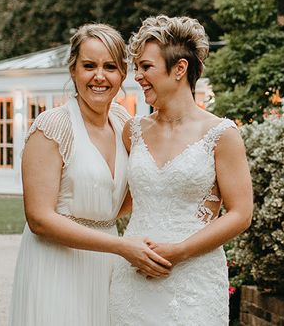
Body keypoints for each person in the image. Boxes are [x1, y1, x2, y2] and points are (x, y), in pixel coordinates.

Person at [9, 23, 171, 326]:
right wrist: (122, 246)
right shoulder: (52, 126)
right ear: (73, 70)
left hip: (107, 265)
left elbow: (123, 195)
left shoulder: (124, 122)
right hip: (56, 265)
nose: (100, 76)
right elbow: (39, 218)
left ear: (122, 74)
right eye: (89, 66)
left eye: (110, 66)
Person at [109, 15, 253, 325]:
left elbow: (240, 214)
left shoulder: (221, 134)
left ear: (179, 69)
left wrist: (179, 251)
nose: (137, 76)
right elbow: (118, 199)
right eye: (136, 68)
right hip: (133, 280)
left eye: (146, 67)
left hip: (193, 282)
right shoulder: (131, 131)